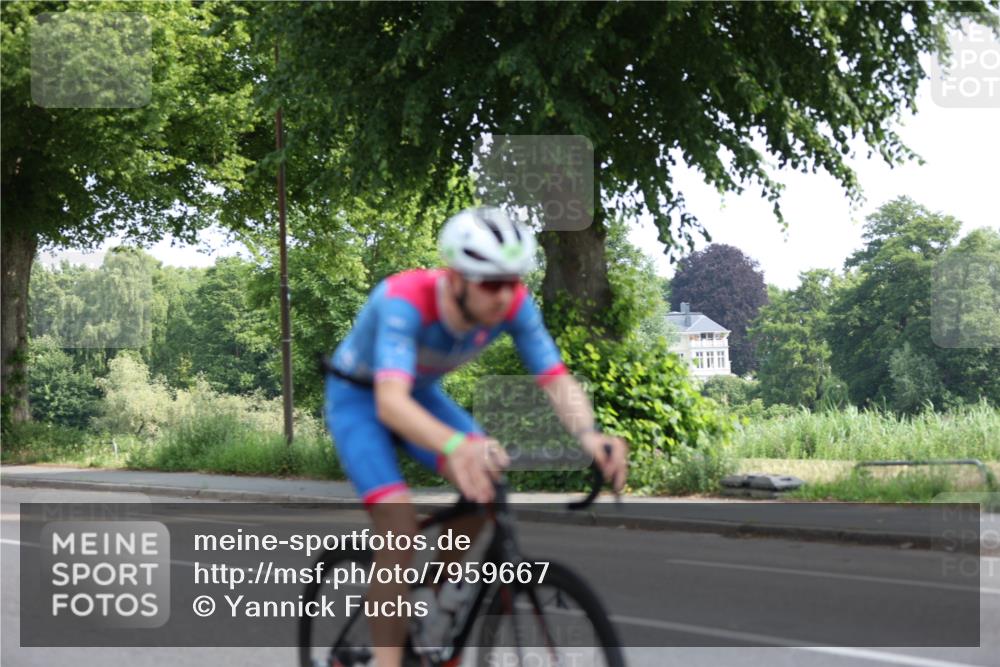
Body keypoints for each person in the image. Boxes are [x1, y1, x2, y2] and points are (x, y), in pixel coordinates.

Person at [324, 205, 628, 667]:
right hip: (360, 402)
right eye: (490, 283)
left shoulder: (513, 304)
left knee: (487, 477)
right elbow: (390, 403)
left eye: (512, 281)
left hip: (420, 395)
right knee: (400, 530)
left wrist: (588, 435)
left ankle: (432, 600)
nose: (504, 295)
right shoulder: (403, 300)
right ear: (456, 277)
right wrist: (455, 445)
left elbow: (554, 378)